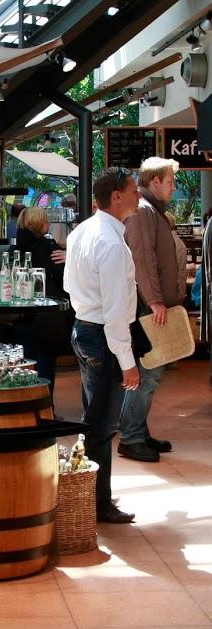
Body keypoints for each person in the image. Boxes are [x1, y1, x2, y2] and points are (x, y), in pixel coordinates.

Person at [63, 167, 142, 524]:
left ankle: (93, 493)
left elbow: (68, 284)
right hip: (103, 336)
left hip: (83, 328)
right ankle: (96, 502)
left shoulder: (82, 230)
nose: (137, 195)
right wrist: (127, 361)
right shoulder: (110, 242)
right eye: (133, 190)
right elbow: (114, 313)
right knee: (102, 424)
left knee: (94, 416)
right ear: (117, 196)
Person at [117, 157, 186, 463]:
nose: (173, 186)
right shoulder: (145, 213)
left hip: (151, 308)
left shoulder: (151, 213)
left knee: (149, 375)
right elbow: (143, 261)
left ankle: (139, 433)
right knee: (147, 376)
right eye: (170, 181)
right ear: (155, 181)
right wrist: (156, 300)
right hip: (148, 310)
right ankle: (131, 438)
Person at [10, 206, 71, 390]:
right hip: (46, 316)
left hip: (20, 315)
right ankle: (45, 409)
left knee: (24, 365)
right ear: (40, 224)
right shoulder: (50, 248)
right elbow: (64, 278)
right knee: (45, 364)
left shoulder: (14, 250)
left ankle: (26, 409)